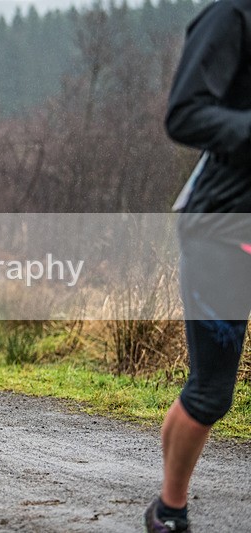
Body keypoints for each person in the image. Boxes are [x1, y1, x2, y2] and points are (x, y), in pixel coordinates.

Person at [146, 1, 251, 531]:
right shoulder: (232, 15)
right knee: (210, 389)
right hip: (223, 229)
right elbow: (184, 112)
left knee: (206, 387)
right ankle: (169, 511)